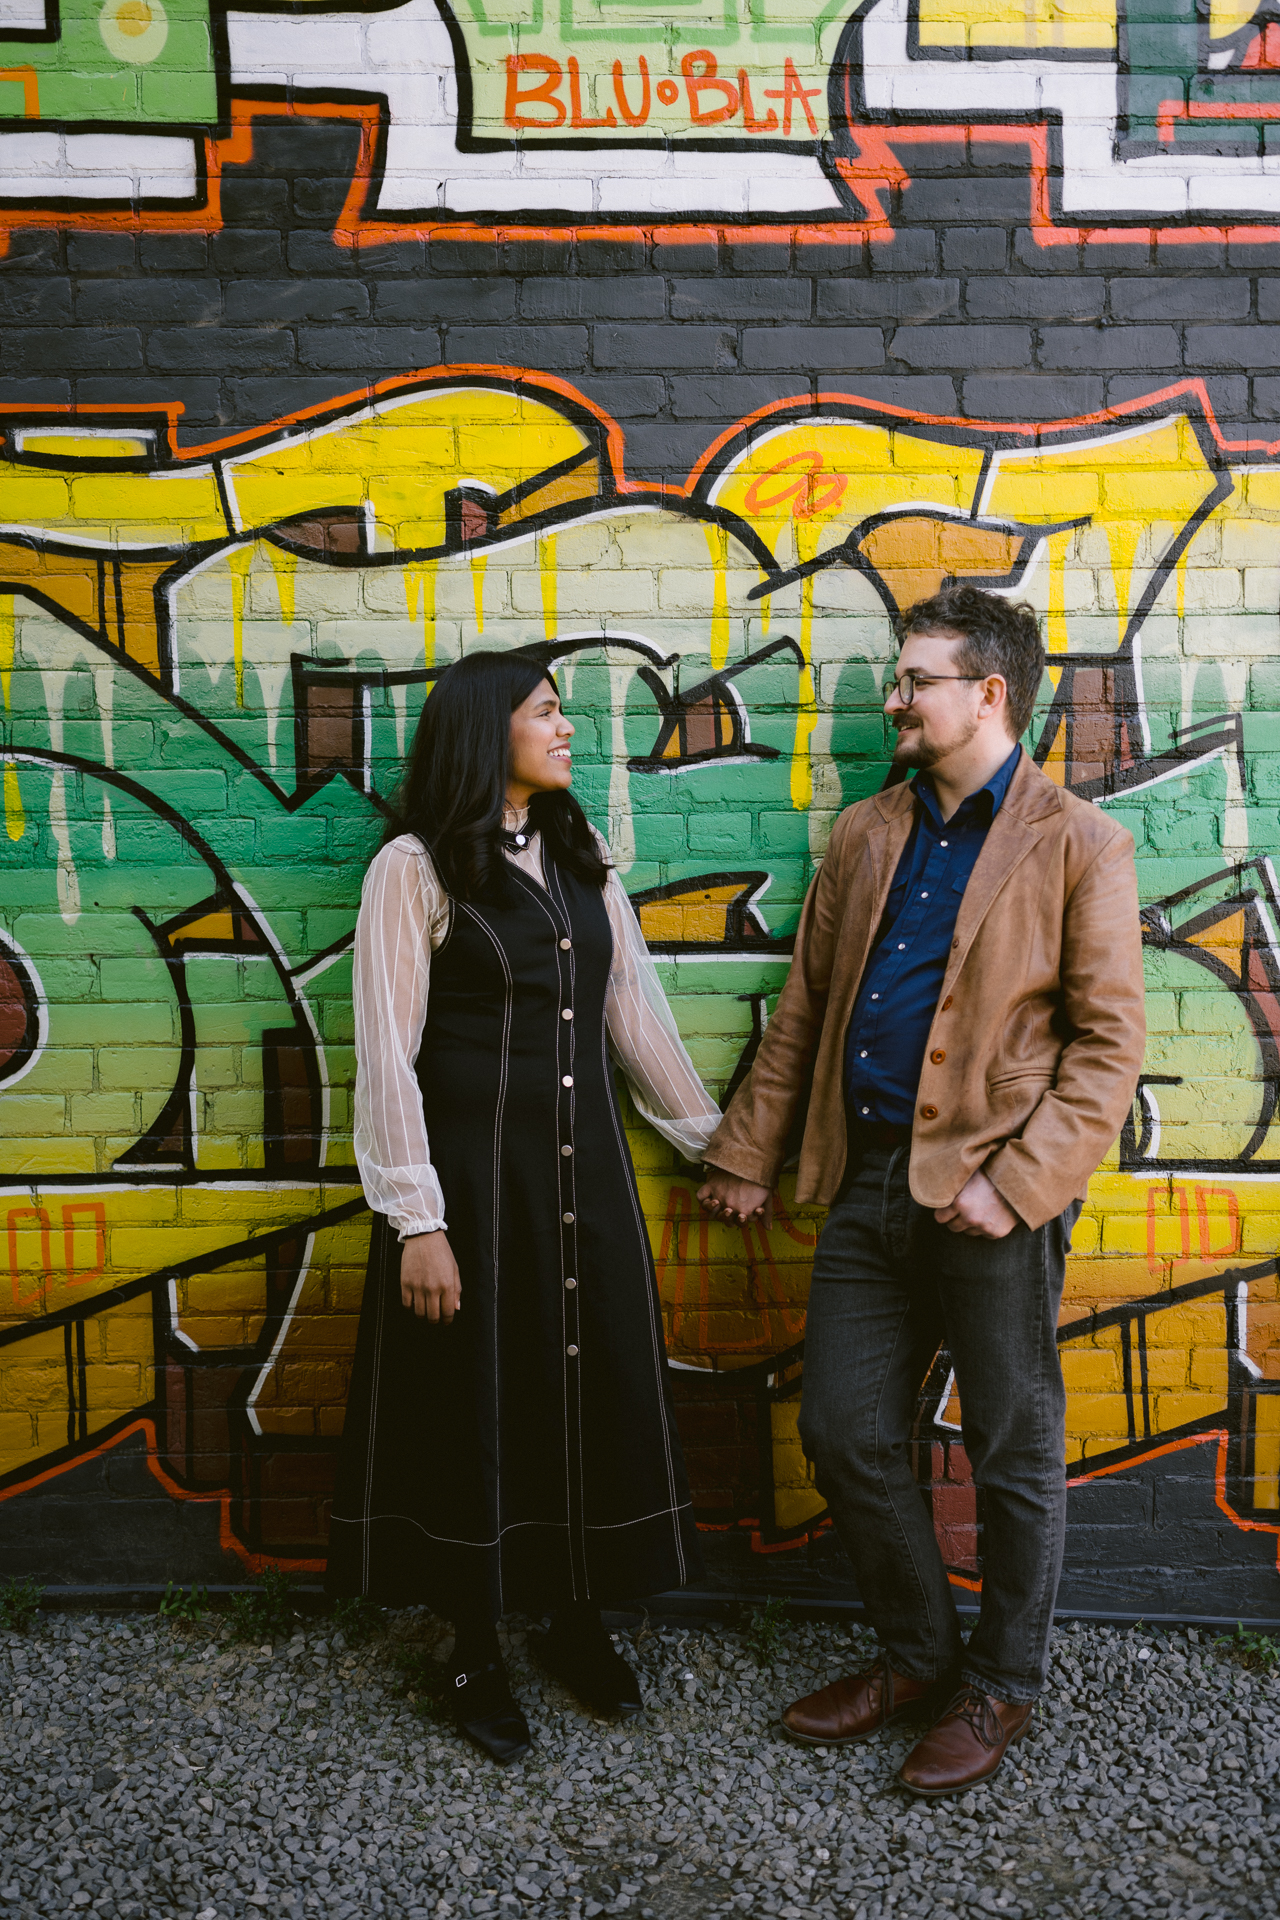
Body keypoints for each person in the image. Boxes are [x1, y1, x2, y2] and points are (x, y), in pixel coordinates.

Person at [697, 585, 1146, 1797]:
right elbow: (805, 1006)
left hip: (992, 1200)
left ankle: (1000, 1685)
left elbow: (1106, 1049)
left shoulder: (1076, 843)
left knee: (1011, 1447)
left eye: (913, 679)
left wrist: (1017, 1186)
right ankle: (914, 1657)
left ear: (986, 693)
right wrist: (747, 1150)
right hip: (865, 1184)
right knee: (841, 1429)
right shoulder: (866, 831)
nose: (892, 698)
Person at [327, 650, 722, 1763]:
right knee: (474, 1406)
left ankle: (573, 1617)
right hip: (468, 1188)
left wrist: (720, 1150)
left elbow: (633, 1021)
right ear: (482, 731)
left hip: (582, 1180)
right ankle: (468, 1648)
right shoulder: (413, 869)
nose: (563, 729)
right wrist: (419, 1219)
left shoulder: (579, 857)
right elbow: (385, 1057)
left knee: (581, 1393)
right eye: (545, 712)